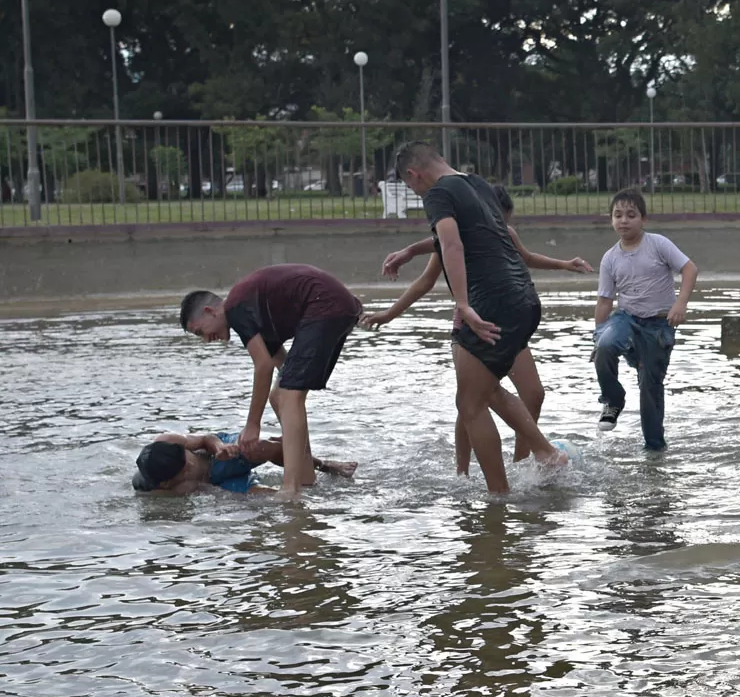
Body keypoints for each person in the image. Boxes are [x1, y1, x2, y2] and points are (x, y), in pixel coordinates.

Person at [365, 182, 593, 471]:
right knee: (473, 400)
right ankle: (463, 471)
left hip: (508, 325)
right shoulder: (454, 241)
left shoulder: (504, 235)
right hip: (472, 329)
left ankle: (524, 466)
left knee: (532, 393)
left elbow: (527, 258)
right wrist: (389, 313)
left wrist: (564, 264)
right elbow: (427, 277)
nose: (500, 227)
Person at [387, 141, 571, 493]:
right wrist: (412, 250)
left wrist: (464, 304)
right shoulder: (477, 184)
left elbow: (452, 244)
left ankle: (499, 497)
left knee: (470, 404)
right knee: (487, 392)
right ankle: (545, 454)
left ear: (414, 174)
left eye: (412, 186)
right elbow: (484, 238)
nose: (417, 191)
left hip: (492, 301)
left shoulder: (437, 193)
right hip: (524, 298)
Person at [180, 264, 362, 500]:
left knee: (287, 394)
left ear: (209, 311)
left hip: (325, 306)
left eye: (199, 332)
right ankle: (305, 477)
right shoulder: (253, 313)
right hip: (334, 307)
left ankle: (291, 488)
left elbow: (263, 366)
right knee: (281, 395)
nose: (206, 339)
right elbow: (282, 366)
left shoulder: (236, 308)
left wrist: (252, 425)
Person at [594, 188, 699, 451]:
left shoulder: (658, 244)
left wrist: (680, 304)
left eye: (631, 215)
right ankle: (613, 400)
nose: (624, 220)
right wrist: (596, 335)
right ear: (611, 220)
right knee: (605, 346)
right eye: (618, 215)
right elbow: (605, 301)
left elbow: (689, 268)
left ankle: (654, 451)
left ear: (643, 219)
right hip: (626, 320)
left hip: (659, 327)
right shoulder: (610, 258)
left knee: (650, 388)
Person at [133, 431, 357, 496]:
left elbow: (204, 439)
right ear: (166, 483)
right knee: (276, 500)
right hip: (218, 482)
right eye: (184, 471)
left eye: (187, 458)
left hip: (218, 457)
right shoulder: (164, 489)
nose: (190, 466)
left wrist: (220, 447)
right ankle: (315, 496)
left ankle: (324, 465)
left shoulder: (166, 440)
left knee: (268, 447)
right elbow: (208, 492)